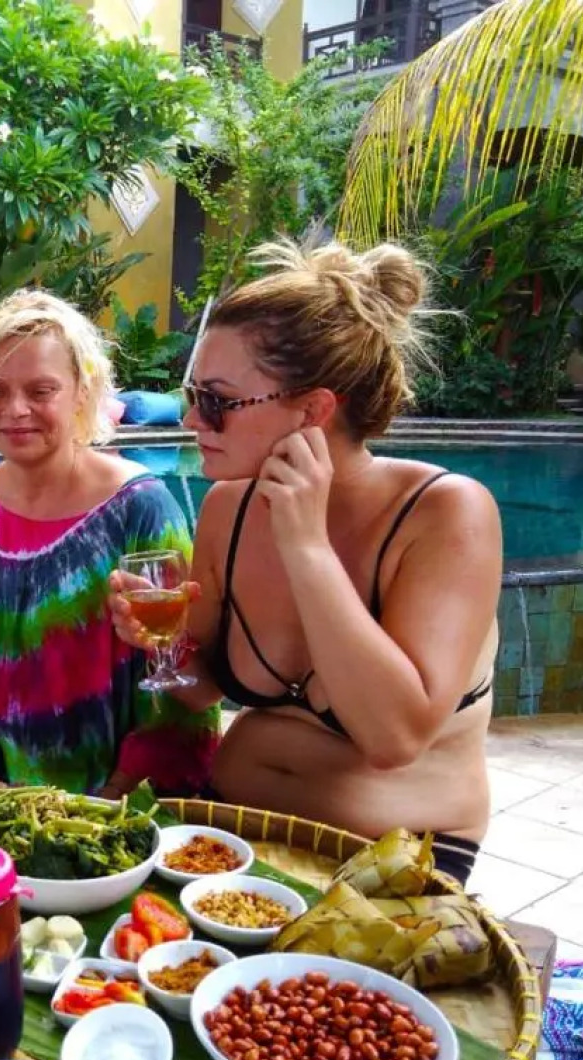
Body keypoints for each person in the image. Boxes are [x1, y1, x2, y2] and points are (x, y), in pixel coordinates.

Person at [111, 239, 500, 885]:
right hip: (232, 826)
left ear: (314, 410)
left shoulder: (444, 513)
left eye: (217, 399)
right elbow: (202, 688)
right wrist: (165, 645)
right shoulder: (228, 508)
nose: (190, 417)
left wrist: (307, 546)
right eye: (192, 393)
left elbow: (393, 738)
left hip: (393, 857)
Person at [0, 289, 219, 795]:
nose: (15, 410)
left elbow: (180, 695)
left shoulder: (141, 510)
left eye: (41, 392)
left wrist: (108, 804)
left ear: (83, 392)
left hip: (114, 803)